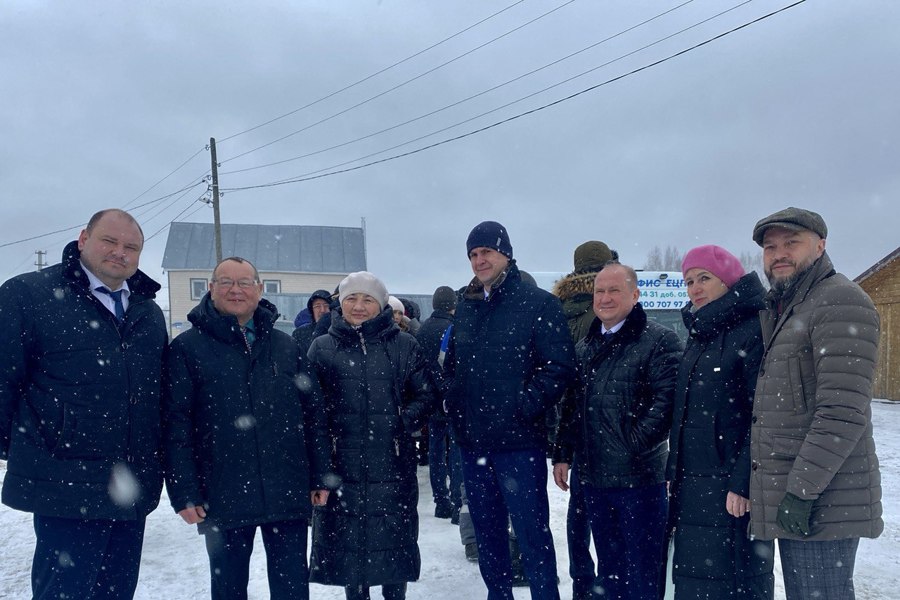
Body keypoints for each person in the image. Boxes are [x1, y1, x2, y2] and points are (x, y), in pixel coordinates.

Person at [0, 209, 168, 600]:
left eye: (131, 247)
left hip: (131, 482)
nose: (120, 252)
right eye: (109, 241)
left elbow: (157, 394)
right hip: (65, 483)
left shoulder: (147, 311)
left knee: (116, 591)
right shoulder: (28, 295)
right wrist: (37, 443)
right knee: (65, 592)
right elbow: (4, 379)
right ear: (83, 239)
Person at [163, 256, 331, 600]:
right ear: (211, 288)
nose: (235, 290)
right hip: (222, 491)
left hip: (286, 488)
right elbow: (175, 425)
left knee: (292, 588)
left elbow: (313, 415)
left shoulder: (287, 347)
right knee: (228, 588)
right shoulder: (187, 349)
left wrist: (320, 474)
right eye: (226, 282)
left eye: (244, 282)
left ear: (259, 289)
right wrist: (184, 491)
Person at [749, 207, 882, 600]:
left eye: (792, 243)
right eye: (770, 247)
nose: (779, 254)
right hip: (805, 493)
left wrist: (801, 492)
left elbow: (842, 412)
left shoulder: (839, 300)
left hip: (824, 500)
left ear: (821, 245)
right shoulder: (790, 306)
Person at [443, 221, 576, 600]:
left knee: (533, 536)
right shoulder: (467, 307)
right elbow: (452, 367)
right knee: (488, 538)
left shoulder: (538, 304)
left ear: (506, 254)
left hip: (519, 445)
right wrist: (456, 406)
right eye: (473, 254)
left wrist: (522, 406)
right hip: (474, 445)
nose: (479, 260)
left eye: (486, 251)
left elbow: (559, 367)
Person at [554, 262, 682, 600]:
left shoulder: (659, 340)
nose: (605, 298)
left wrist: (631, 446)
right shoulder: (585, 347)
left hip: (639, 481)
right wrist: (563, 453)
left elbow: (667, 403)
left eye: (614, 290)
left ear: (635, 295)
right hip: (595, 480)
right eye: (600, 291)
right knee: (610, 570)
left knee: (643, 572)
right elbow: (571, 406)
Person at [307, 271, 436, 600]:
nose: (359, 306)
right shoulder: (322, 347)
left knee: (394, 544)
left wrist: (400, 421)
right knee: (350, 548)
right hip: (342, 466)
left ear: (381, 305)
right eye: (351, 298)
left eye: (368, 299)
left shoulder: (404, 345)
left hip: (392, 464)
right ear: (341, 303)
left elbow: (426, 394)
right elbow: (310, 408)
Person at [665, 245, 774, 599]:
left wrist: (744, 481)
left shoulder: (752, 331)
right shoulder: (701, 333)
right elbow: (685, 414)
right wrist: (673, 470)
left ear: (727, 280)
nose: (695, 288)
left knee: (734, 579)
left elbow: (763, 414)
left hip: (730, 488)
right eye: (689, 281)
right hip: (693, 484)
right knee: (696, 581)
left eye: (704, 278)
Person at [551, 240, 617, 600]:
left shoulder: (559, 309)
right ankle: (608, 583)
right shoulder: (611, 303)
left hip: (572, 419)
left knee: (579, 514)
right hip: (609, 422)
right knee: (609, 514)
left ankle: (582, 582)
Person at [416, 285, 462, 520]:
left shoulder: (422, 329)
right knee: (455, 449)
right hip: (450, 397)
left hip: (430, 397)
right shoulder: (454, 328)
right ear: (453, 304)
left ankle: (440, 501)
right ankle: (456, 500)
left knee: (435, 449)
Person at [293, 288, 332, 354]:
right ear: (312, 310)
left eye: (326, 305)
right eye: (317, 306)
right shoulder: (300, 333)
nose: (322, 310)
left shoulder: (339, 332)